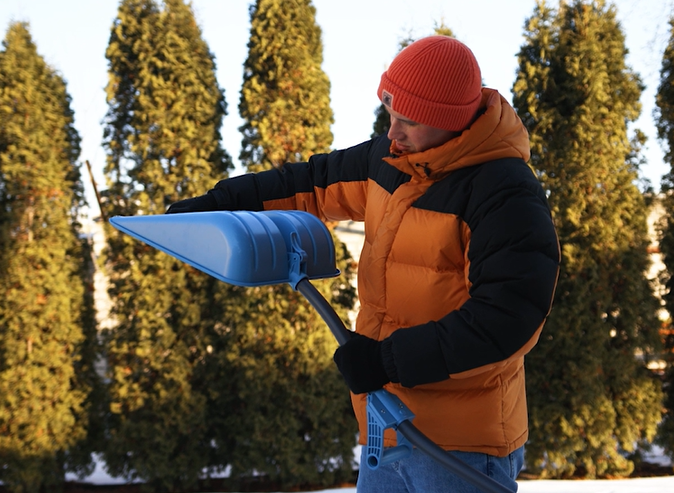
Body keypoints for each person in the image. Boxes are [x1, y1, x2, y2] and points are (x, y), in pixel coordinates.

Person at [167, 35, 560, 492]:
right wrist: (221, 203)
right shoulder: (391, 162)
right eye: (390, 114)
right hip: (385, 426)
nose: (393, 132)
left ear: (449, 121)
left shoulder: (503, 193)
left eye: (408, 122)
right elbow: (311, 184)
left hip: (462, 445)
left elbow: (507, 319)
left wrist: (388, 361)